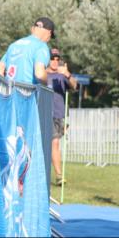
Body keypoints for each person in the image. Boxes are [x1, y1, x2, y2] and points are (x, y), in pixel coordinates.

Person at [46, 48, 78, 184]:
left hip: (58, 114)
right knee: (53, 143)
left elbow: (75, 86)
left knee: (55, 143)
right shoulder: (40, 74)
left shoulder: (61, 76)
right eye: (52, 58)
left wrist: (68, 74)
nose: (55, 61)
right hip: (43, 112)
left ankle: (57, 174)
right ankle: (58, 175)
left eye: (57, 59)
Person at [0, 17, 55, 85]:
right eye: (50, 37)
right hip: (27, 93)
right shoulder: (41, 46)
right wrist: (49, 82)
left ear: (33, 29)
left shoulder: (14, 45)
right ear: (49, 33)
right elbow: (40, 74)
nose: (49, 39)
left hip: (8, 92)